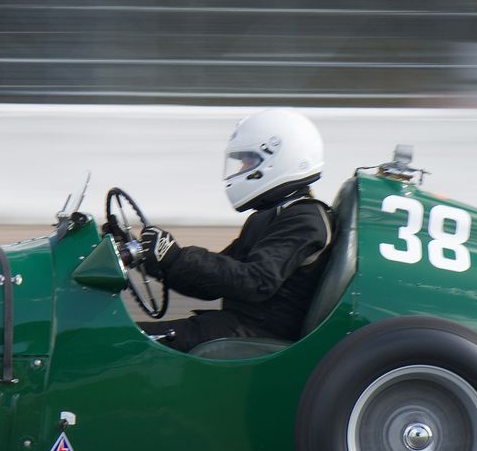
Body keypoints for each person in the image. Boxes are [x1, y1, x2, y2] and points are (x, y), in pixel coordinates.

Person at [134, 108, 334, 353]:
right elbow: (214, 283)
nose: (241, 169)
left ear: (279, 159)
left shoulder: (304, 220)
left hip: (259, 337)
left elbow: (255, 281)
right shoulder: (271, 216)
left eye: (249, 162)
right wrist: (157, 263)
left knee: (122, 345)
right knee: (120, 337)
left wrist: (176, 257)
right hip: (237, 326)